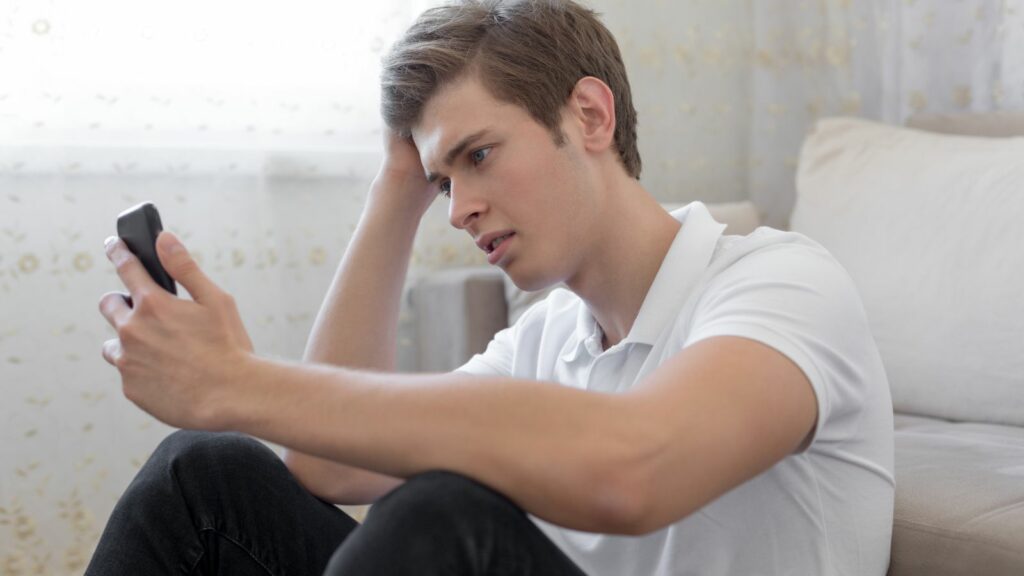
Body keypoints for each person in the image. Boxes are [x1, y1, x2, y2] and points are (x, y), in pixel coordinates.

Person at [86, 1, 895, 574]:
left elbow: (636, 467)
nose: (459, 209)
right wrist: (396, 190)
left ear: (589, 115)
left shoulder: (781, 283)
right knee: (202, 475)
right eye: (443, 182)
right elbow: (327, 469)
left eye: (478, 155)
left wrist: (237, 382)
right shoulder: (547, 338)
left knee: (440, 518)